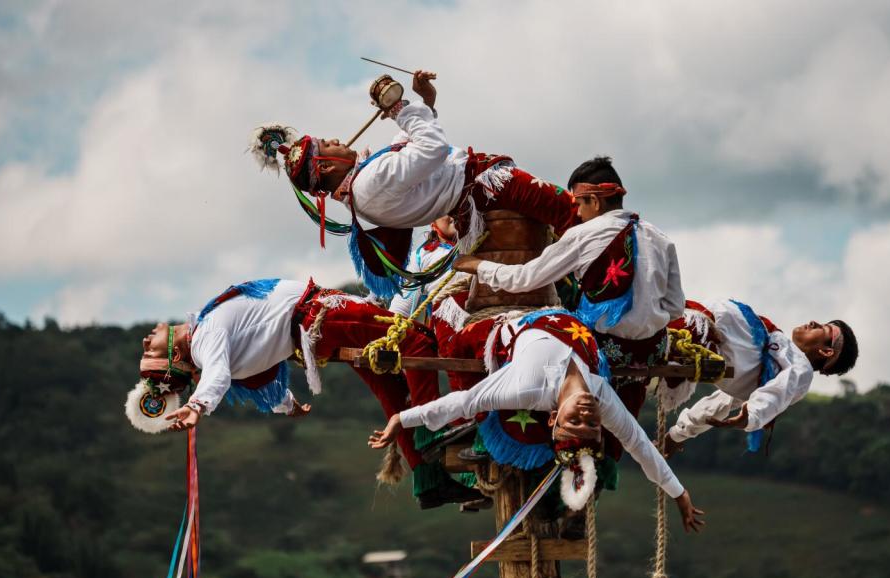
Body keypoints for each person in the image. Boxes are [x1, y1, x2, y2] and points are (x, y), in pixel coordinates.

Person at [126, 277, 481, 508]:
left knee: (392, 387)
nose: (145, 340)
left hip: (317, 329)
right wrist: (197, 405)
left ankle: (428, 480)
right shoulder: (205, 337)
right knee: (417, 342)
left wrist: (287, 404)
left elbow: (261, 371)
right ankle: (446, 443)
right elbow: (217, 374)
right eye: (149, 351)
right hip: (322, 317)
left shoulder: (209, 335)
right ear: (174, 355)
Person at [368, 309, 706, 533]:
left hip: (522, 322)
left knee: (456, 339)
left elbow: (466, 401)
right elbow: (640, 446)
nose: (587, 418)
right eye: (592, 427)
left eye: (574, 424)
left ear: (554, 418)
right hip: (574, 320)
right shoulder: (601, 394)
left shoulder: (525, 388)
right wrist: (679, 494)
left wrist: (402, 418)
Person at [250, 71, 579, 296]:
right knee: (570, 213)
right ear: (325, 165)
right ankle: (604, 284)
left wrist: (424, 101)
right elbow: (431, 149)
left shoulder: (364, 184)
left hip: (472, 203)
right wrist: (398, 108)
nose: (336, 139)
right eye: (328, 143)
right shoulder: (369, 183)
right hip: (488, 188)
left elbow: (410, 147)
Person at [455, 156, 684, 416]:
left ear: (595, 202)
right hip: (652, 350)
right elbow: (675, 308)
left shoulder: (582, 235)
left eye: (578, 204)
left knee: (534, 329)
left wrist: (477, 266)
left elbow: (524, 279)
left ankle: (511, 426)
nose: (576, 212)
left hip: (603, 351)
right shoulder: (660, 238)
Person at [662, 299, 859, 457]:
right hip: (698, 324)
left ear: (825, 351)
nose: (814, 322)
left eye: (822, 329)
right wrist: (677, 434)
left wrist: (753, 414)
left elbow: (778, 392)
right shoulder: (773, 360)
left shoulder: (801, 370)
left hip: (699, 328)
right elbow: (719, 404)